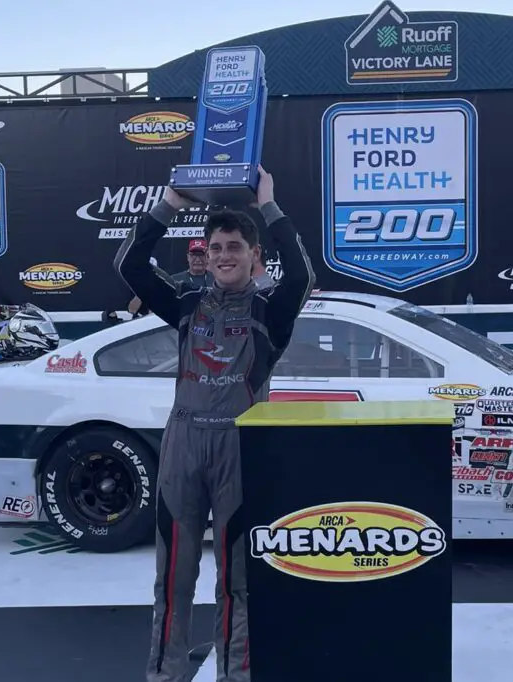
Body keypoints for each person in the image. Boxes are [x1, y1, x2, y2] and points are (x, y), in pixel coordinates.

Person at [114, 166, 314, 682]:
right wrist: (169, 205)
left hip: (240, 449)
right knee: (172, 576)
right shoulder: (185, 300)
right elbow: (130, 264)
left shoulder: (273, 307)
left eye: (235, 247)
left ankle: (236, 674)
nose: (225, 255)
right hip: (183, 444)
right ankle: (165, 675)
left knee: (237, 579)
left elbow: (303, 275)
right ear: (205, 254)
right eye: (217, 247)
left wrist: (268, 205)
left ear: (255, 256)